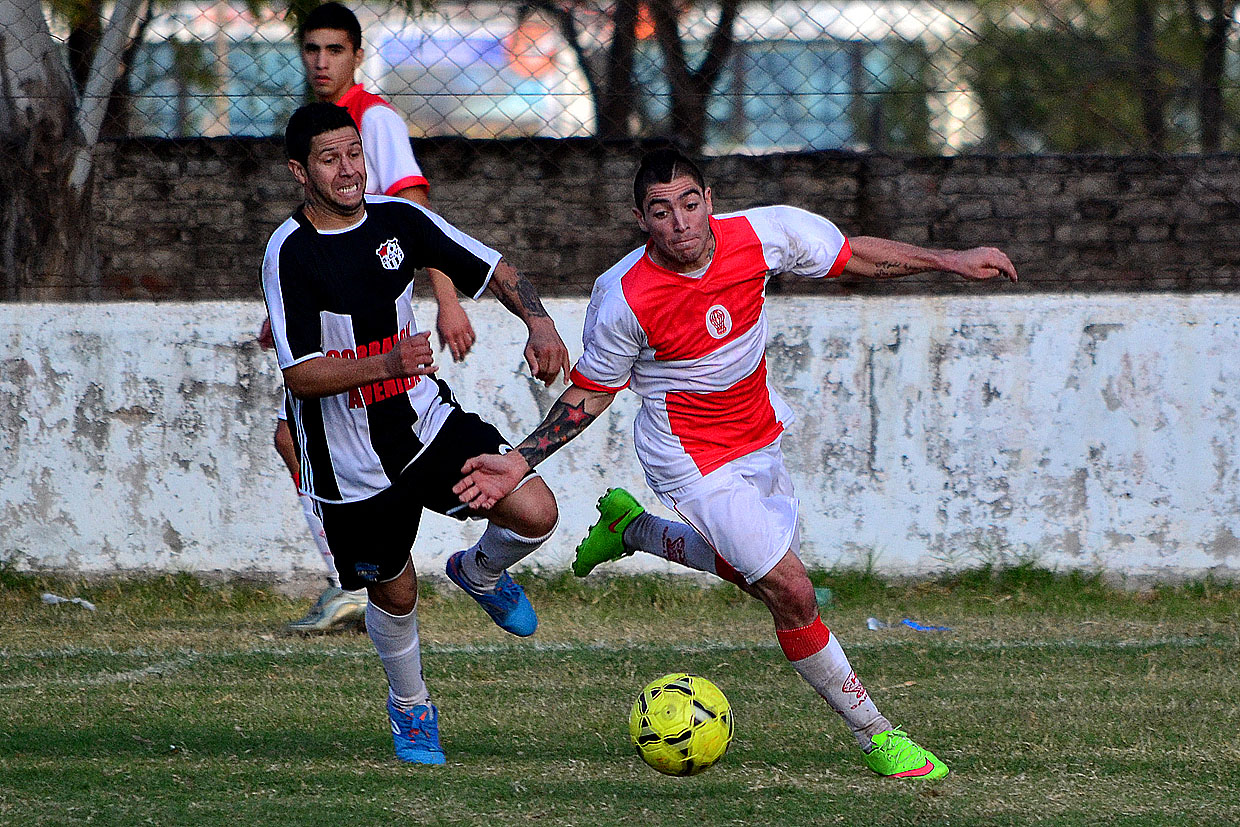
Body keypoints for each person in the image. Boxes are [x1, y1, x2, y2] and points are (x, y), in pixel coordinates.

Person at [453, 147, 1019, 780]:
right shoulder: (623, 298)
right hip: (687, 454)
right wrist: (519, 461)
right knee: (792, 590)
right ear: (642, 220)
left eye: (689, 205)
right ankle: (879, 736)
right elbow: (591, 392)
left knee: (765, 575)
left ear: (710, 202)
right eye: (661, 212)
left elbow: (849, 254)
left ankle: (633, 530)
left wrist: (951, 261)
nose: (680, 224)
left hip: (758, 433)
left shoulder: (763, 234)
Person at [262, 102, 571, 763]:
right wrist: (386, 361)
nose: (347, 170)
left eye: (353, 154)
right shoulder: (289, 251)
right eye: (328, 158)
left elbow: (494, 268)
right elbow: (299, 374)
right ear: (300, 171)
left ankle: (481, 572)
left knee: (535, 510)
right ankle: (411, 709)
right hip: (348, 462)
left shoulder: (399, 221)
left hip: (423, 422)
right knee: (395, 590)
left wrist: (538, 323)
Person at [275, 1, 478, 631]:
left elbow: (419, 221)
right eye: (311, 49)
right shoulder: (315, 126)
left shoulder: (375, 121)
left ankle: (356, 578)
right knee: (293, 436)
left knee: (307, 437)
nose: (320, 62)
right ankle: (356, 572)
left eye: (335, 50)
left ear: (357, 56)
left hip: (376, 349)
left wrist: (446, 300)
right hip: (334, 336)